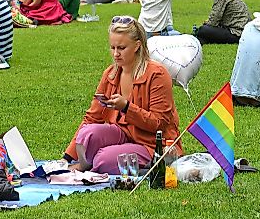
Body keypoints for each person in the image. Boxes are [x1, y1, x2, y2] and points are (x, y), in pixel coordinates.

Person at [65, 16, 182, 173]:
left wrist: (127, 107)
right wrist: (66, 157)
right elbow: (92, 117)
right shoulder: (111, 74)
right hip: (121, 133)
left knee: (103, 159)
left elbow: (159, 123)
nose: (115, 54)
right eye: (112, 48)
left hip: (152, 143)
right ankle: (91, 164)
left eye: (121, 48)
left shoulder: (157, 74)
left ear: (137, 46)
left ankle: (151, 165)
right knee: (86, 135)